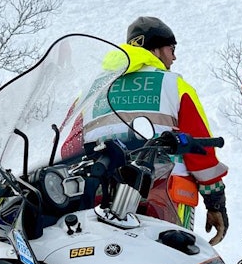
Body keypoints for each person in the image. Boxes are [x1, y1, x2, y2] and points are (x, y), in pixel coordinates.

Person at [83, 16, 229, 245]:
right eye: (172, 49)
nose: (174, 57)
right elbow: (201, 152)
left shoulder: (92, 90)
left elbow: (68, 146)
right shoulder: (173, 85)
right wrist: (216, 203)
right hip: (166, 200)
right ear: (157, 50)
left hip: (101, 202)